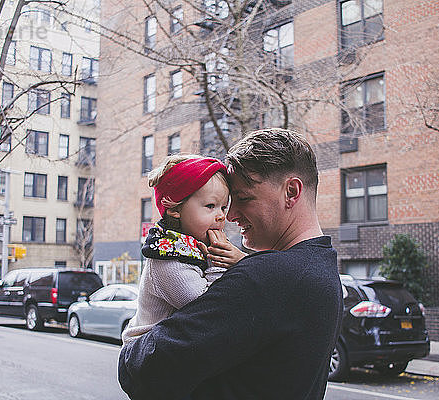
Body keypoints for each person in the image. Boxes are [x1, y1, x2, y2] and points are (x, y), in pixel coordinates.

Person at [119, 128, 343, 400]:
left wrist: (131, 350)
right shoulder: (323, 270)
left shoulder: (266, 277)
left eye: (244, 199)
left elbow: (140, 371)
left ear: (292, 192)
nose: (230, 215)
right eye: (224, 203)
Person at [122, 155, 245, 344]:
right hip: (149, 356)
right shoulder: (167, 259)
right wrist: (218, 263)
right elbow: (207, 309)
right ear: (174, 208)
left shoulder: (193, 248)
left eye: (223, 207)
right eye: (210, 206)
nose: (221, 216)